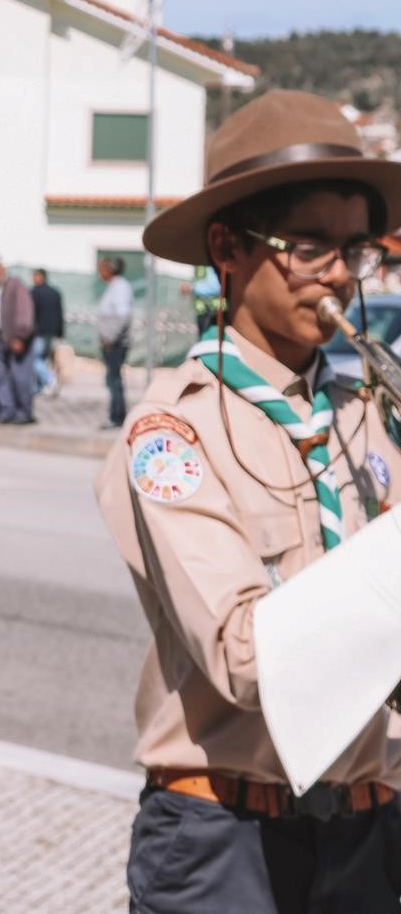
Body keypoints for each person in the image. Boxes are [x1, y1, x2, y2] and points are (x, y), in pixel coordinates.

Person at [94, 90, 401, 914]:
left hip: (371, 823)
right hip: (224, 832)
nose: (338, 273)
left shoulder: (366, 412)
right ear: (227, 248)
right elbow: (245, 656)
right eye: (308, 246)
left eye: (353, 248)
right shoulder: (173, 431)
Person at [0, 256, 36, 424]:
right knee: (1, 376)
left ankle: (24, 412)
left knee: (19, 376)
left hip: (15, 338)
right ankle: (7, 411)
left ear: (1, 269)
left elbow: (24, 311)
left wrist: (20, 336)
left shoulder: (15, 285)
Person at [97, 255, 133, 428]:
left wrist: (110, 338)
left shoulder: (120, 287)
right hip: (111, 342)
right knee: (112, 380)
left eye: (102, 267)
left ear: (110, 269)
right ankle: (116, 415)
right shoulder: (114, 287)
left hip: (116, 344)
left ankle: (117, 417)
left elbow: (122, 316)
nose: (100, 271)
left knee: (114, 380)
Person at [29, 267, 64, 395]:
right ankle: (37, 389)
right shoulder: (55, 292)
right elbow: (60, 313)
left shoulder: (34, 292)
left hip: (39, 333)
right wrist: (60, 332)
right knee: (41, 359)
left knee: (34, 359)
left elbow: (31, 315)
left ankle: (50, 380)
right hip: (51, 332)